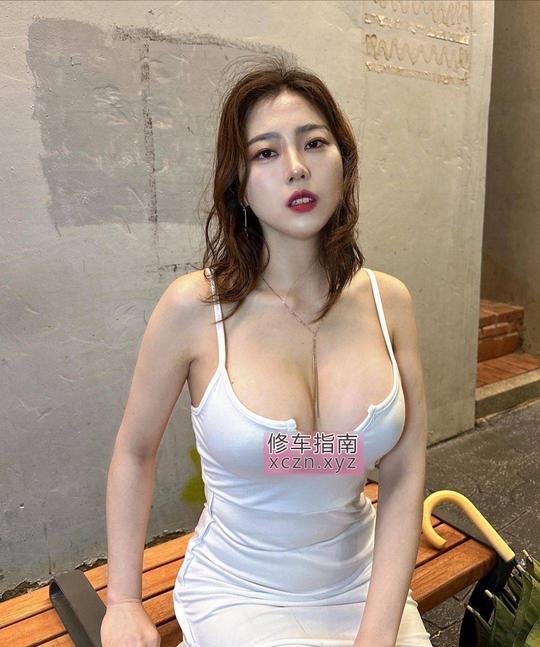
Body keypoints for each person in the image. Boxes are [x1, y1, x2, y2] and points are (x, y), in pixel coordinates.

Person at [101, 55, 433, 647]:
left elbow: (404, 473)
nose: (296, 168)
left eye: (314, 143)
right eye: (266, 153)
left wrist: (377, 632)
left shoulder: (391, 303)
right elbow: (134, 451)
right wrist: (124, 601)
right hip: (241, 593)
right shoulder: (194, 309)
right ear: (239, 185)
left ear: (344, 160)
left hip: (364, 586)